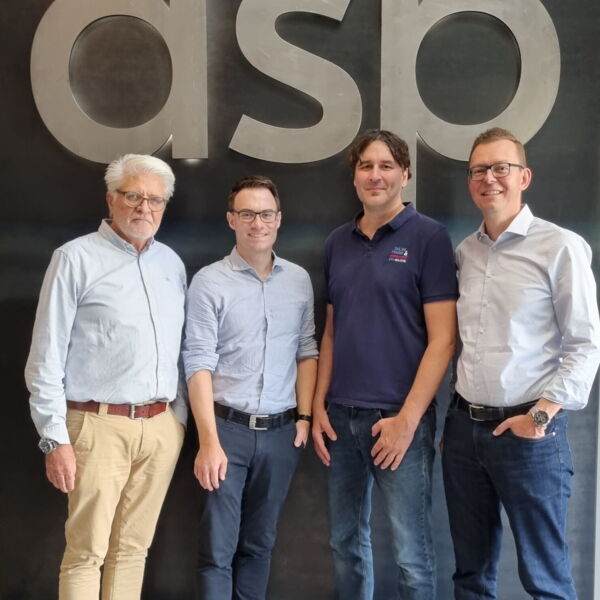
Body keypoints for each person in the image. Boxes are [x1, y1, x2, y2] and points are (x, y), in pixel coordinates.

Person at [442, 127, 600, 599]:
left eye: (500, 168)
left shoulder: (560, 246)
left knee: (546, 581)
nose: (489, 178)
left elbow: (585, 344)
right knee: (471, 576)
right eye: (479, 170)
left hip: (530, 433)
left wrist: (540, 416)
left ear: (524, 177)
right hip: (464, 432)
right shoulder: (465, 253)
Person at [25, 154, 187, 600]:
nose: (144, 208)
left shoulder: (171, 264)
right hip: (96, 427)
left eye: (155, 199)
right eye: (133, 196)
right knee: (86, 554)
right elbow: (45, 357)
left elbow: (179, 350)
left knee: (133, 551)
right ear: (110, 199)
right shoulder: (74, 259)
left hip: (160, 428)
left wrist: (177, 421)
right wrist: (53, 438)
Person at [312, 129, 458, 600]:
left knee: (412, 556)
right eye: (366, 166)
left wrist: (407, 421)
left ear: (405, 175)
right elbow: (331, 332)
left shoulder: (429, 237)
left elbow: (443, 340)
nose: (375, 175)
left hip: (399, 420)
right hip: (341, 418)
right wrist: (318, 406)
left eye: (386, 166)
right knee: (345, 545)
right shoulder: (337, 242)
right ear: (355, 176)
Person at [182, 175, 318, 599]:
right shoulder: (209, 281)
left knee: (259, 546)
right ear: (231, 220)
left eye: (265, 214)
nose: (257, 223)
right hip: (226, 431)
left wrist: (304, 417)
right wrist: (208, 441)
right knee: (217, 551)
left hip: (281, 434)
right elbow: (197, 362)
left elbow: (307, 351)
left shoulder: (298, 280)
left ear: (279, 219)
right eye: (247, 214)